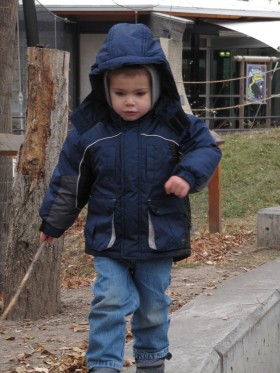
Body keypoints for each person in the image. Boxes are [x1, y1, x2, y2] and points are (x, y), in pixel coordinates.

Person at [39, 23, 222, 373]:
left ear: (156, 87)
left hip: (159, 236)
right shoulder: (90, 131)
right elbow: (70, 181)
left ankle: (151, 363)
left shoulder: (175, 124)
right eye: (120, 92)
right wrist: (54, 221)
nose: (130, 101)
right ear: (105, 88)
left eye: (139, 92)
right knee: (108, 300)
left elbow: (205, 148)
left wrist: (186, 175)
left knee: (153, 305)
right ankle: (103, 365)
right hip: (110, 238)